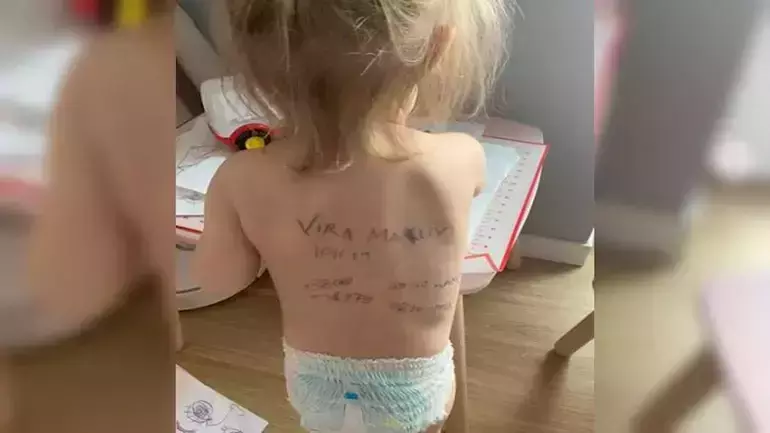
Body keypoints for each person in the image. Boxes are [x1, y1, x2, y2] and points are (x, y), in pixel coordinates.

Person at [194, 1, 508, 432]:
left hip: (318, 388)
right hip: (418, 390)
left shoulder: (242, 177)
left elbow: (217, 280)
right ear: (437, 47)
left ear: (258, 71)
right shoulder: (461, 157)